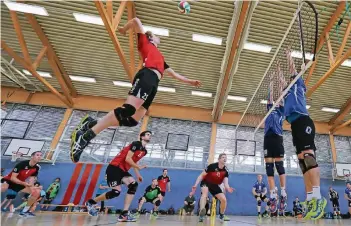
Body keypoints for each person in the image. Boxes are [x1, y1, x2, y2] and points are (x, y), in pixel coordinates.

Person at [70, 17, 201, 163]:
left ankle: (90, 123)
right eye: (156, 36)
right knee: (128, 110)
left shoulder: (160, 58)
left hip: (154, 84)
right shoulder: (145, 42)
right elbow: (136, 21)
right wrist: (123, 30)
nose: (159, 38)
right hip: (147, 75)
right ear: (151, 38)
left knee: (132, 120)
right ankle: (85, 136)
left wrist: (190, 82)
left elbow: (175, 75)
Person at [284, 48, 326, 220]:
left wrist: (288, 57)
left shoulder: (298, 84)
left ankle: (318, 198)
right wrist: (276, 76)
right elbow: (281, 83)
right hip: (295, 126)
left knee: (308, 156)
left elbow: (293, 70)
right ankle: (310, 199)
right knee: (302, 162)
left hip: (303, 121)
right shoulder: (287, 94)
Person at [85, 131, 151, 222]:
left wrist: (138, 174)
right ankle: (91, 202)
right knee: (116, 192)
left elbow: (133, 162)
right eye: (148, 134)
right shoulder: (136, 144)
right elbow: (128, 159)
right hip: (114, 167)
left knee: (133, 185)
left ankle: (124, 214)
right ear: (142, 137)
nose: (150, 136)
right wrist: (138, 167)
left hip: (123, 170)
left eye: (150, 135)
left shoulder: (144, 151)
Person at [264, 65, 287, 202]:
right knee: (269, 168)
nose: (276, 101)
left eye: (279, 101)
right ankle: (273, 193)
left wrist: (279, 75)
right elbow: (270, 95)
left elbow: (282, 93)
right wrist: (271, 81)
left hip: (278, 138)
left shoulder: (282, 111)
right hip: (268, 138)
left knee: (279, 166)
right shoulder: (269, 108)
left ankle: (283, 191)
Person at [192, 153, 234, 222]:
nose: (225, 158)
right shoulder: (212, 166)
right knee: (204, 194)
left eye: (226, 157)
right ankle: (202, 212)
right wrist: (195, 185)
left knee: (224, 199)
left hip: (214, 185)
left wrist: (228, 188)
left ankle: (221, 215)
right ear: (219, 159)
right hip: (206, 182)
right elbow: (201, 175)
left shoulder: (226, 171)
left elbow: (226, 183)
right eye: (223, 157)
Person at [1, 151, 42, 217]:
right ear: (32, 156)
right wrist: (23, 183)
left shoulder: (36, 168)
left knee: (37, 192)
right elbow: (13, 178)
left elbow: (31, 180)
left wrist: (33, 187)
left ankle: (24, 211)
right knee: (3, 188)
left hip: (20, 183)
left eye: (40, 155)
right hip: (10, 179)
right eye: (37, 155)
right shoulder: (22, 164)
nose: (39, 156)